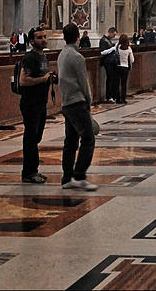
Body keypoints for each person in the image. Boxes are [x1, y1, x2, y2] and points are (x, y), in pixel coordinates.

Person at [58, 22, 97, 191]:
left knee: (71, 141)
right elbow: (83, 82)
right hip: (77, 102)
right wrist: (89, 101)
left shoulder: (61, 55)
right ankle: (79, 175)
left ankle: (67, 177)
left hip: (66, 102)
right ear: (78, 37)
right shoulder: (77, 57)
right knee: (88, 139)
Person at [18, 26, 55, 184]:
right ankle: (29, 172)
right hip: (30, 103)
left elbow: (43, 76)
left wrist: (50, 78)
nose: (43, 39)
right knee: (31, 138)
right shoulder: (29, 58)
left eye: (44, 37)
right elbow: (23, 81)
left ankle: (33, 170)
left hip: (41, 102)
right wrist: (43, 79)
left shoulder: (43, 56)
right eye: (39, 37)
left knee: (37, 137)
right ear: (32, 41)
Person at [99, 26, 119, 102]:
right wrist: (113, 48)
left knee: (112, 79)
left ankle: (113, 95)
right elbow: (102, 52)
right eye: (113, 35)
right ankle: (108, 96)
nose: (114, 37)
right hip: (107, 62)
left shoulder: (108, 40)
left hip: (111, 62)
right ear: (110, 32)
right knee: (109, 79)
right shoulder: (103, 40)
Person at [115, 33, 134, 103]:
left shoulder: (117, 46)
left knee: (117, 83)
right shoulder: (128, 48)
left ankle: (117, 99)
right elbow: (132, 60)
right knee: (124, 84)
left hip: (118, 66)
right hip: (125, 67)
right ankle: (123, 98)